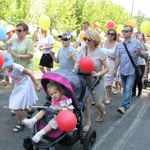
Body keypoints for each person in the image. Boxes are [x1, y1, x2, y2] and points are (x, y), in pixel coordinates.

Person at [77, 29, 109, 132]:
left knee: (98, 102)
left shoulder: (101, 52)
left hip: (97, 80)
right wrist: (73, 71)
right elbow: (77, 63)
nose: (86, 41)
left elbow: (107, 68)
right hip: (84, 79)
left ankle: (102, 113)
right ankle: (88, 123)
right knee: (86, 101)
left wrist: (98, 73)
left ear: (95, 40)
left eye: (89, 39)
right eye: (85, 39)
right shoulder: (82, 50)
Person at [2, 51, 41, 132]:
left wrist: (37, 85)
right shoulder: (5, 70)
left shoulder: (17, 67)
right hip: (17, 86)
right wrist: (6, 83)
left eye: (8, 64)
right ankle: (30, 110)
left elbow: (29, 73)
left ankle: (21, 123)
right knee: (15, 103)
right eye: (5, 65)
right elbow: (8, 81)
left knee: (16, 106)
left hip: (25, 85)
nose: (7, 67)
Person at [114, 25, 145, 114]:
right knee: (125, 88)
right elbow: (117, 58)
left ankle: (123, 106)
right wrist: (115, 69)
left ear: (131, 33)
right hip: (123, 70)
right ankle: (127, 102)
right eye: (123, 31)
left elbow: (144, 55)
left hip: (132, 70)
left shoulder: (137, 43)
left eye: (126, 31)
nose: (124, 32)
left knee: (128, 88)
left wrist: (139, 53)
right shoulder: (119, 44)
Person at [100, 28, 118, 104]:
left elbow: (117, 57)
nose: (110, 35)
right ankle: (98, 98)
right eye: (109, 33)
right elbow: (98, 52)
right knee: (100, 82)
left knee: (109, 84)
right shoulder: (102, 42)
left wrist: (115, 69)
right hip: (101, 65)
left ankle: (108, 97)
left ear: (115, 36)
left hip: (111, 65)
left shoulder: (116, 44)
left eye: (112, 34)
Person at [132, 32, 148, 98]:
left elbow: (146, 55)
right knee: (133, 78)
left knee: (139, 78)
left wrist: (140, 52)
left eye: (140, 37)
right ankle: (133, 92)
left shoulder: (144, 45)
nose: (138, 38)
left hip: (141, 63)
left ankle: (140, 90)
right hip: (134, 63)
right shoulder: (133, 43)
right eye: (137, 37)